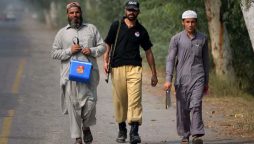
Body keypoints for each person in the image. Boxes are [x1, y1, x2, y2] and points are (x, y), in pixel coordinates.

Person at [103, 0, 158, 143]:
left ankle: (134, 132)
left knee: (135, 100)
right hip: (117, 67)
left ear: (138, 12)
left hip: (135, 68)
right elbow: (108, 44)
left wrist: (154, 73)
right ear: (125, 11)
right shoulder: (116, 25)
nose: (131, 12)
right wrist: (105, 60)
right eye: (129, 9)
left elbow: (149, 52)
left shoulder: (141, 30)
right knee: (119, 100)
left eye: (134, 10)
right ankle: (122, 129)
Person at [51, 2, 105, 144]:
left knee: (90, 104)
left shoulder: (91, 29)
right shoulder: (62, 33)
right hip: (70, 77)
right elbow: (54, 53)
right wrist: (69, 51)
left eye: (77, 12)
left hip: (89, 75)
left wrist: (91, 50)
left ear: (81, 13)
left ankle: (86, 126)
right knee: (73, 106)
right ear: (68, 15)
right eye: (72, 13)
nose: (75, 15)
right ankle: (77, 138)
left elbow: (102, 46)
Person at [163, 10, 209, 144]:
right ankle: (185, 134)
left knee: (196, 104)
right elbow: (171, 60)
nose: (190, 24)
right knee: (182, 108)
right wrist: (168, 80)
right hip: (181, 79)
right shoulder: (176, 39)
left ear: (196, 23)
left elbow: (206, 61)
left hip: (198, 77)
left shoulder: (203, 38)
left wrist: (206, 81)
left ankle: (197, 134)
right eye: (187, 22)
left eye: (193, 22)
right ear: (183, 23)